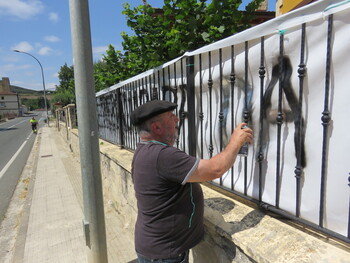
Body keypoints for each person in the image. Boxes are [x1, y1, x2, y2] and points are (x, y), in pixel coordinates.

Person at [130, 100, 253, 263]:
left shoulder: (145, 151)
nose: (177, 120)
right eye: (171, 116)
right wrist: (236, 142)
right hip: (165, 255)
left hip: (158, 249)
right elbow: (215, 169)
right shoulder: (162, 155)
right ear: (156, 127)